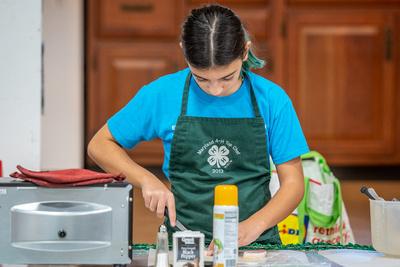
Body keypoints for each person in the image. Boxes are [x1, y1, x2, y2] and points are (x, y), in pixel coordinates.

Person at [88, 4, 308, 247]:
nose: (215, 90)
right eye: (202, 78)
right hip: (183, 243)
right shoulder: (163, 94)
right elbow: (99, 145)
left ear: (245, 52)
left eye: (227, 77)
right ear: (184, 52)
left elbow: (294, 184)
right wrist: (147, 179)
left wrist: (253, 226)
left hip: (257, 245)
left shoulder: (272, 99)